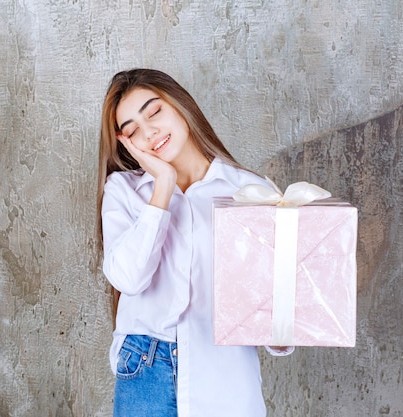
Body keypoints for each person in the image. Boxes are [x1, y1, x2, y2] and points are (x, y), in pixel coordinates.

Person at [96, 68, 292, 417]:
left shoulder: (248, 191)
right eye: (132, 131)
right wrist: (163, 185)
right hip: (146, 371)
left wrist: (279, 326)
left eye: (154, 112)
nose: (149, 132)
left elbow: (271, 311)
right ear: (126, 144)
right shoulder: (123, 192)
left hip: (225, 373)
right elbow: (128, 278)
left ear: (180, 104)